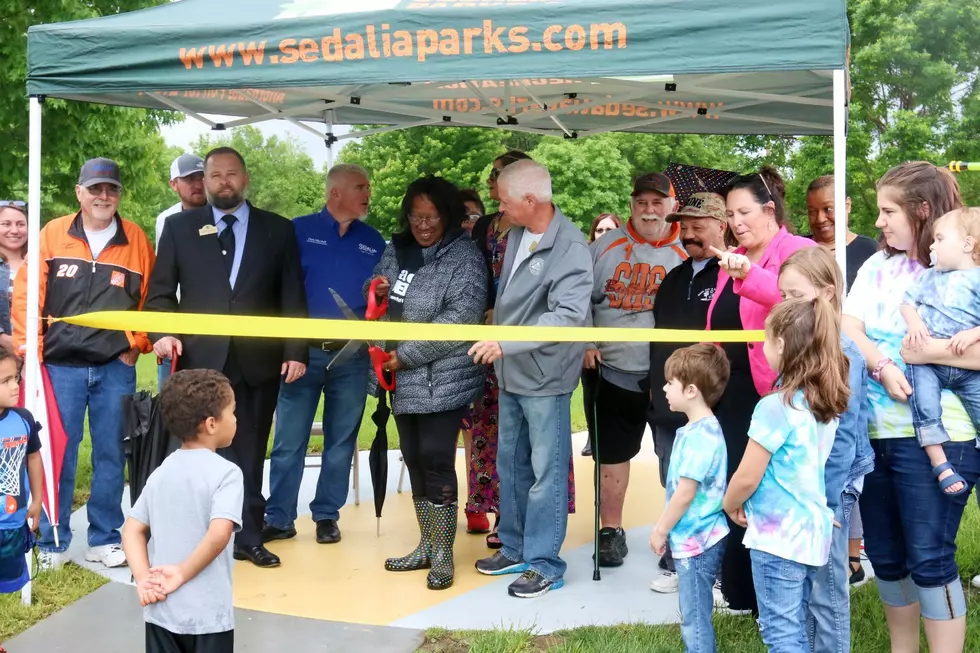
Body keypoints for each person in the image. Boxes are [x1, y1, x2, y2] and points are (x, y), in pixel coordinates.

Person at [146, 146, 308, 569]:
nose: (222, 182)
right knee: (198, 451)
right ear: (204, 179)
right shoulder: (180, 228)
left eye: (231, 174)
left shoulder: (278, 230)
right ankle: (197, 537)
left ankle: (249, 537)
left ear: (245, 177)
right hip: (201, 362)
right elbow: (160, 294)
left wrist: (296, 349)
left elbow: (292, 295)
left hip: (259, 360)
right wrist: (162, 332)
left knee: (251, 449)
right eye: (214, 175)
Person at [843, 161, 978, 652]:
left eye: (887, 211)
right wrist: (883, 365)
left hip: (942, 438)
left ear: (922, 211)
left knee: (930, 558)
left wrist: (920, 354)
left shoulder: (963, 269)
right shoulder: (876, 265)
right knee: (886, 555)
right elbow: (848, 325)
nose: (878, 222)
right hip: (873, 433)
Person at [13, 157, 155, 570]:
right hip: (60, 367)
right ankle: (53, 540)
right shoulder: (53, 234)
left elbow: (151, 296)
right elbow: (28, 297)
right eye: (95, 189)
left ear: (119, 195)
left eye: (111, 189)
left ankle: (105, 537)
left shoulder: (137, 241)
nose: (103, 196)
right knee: (59, 452)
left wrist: (138, 342)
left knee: (112, 451)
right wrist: (32, 350)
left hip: (115, 367)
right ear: (79, 192)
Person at [470, 160, 592, 598]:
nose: (496, 206)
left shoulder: (572, 247)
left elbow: (568, 317)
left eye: (502, 199)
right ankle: (517, 547)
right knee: (511, 465)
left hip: (544, 377)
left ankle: (545, 563)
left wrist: (507, 344)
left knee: (546, 474)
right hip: (511, 374)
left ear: (529, 200)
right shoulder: (517, 234)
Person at [704, 167, 815, 615]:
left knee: (765, 491)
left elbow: (807, 309)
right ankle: (740, 593)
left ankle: (780, 597)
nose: (736, 222)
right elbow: (718, 326)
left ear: (770, 210)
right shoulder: (730, 257)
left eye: (745, 212)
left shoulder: (799, 252)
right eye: (730, 214)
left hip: (778, 394)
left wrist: (751, 274)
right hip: (731, 395)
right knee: (732, 485)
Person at [372, 176, 487, 591]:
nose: (423, 225)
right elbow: (376, 298)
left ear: (448, 216)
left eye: (432, 217)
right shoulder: (395, 250)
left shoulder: (465, 256)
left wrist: (405, 355)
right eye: (416, 217)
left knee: (437, 459)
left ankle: (443, 554)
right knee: (415, 458)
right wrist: (378, 291)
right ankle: (426, 544)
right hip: (400, 381)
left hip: (443, 377)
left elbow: (461, 318)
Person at [263, 164, 383, 546]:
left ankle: (327, 515)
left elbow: (384, 294)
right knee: (288, 442)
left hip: (352, 358)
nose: (368, 193)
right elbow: (276, 290)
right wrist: (287, 347)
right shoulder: (296, 231)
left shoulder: (374, 240)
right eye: (360, 187)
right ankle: (279, 517)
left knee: (341, 441)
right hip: (302, 355)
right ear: (335, 194)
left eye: (368, 186)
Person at [723, 298, 849, 652]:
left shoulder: (774, 407)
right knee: (800, 623)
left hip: (778, 539)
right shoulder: (824, 404)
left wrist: (729, 503)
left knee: (780, 632)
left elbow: (747, 476)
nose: (763, 346)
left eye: (765, 338)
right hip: (813, 532)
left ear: (780, 345)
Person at [587, 172, 686, 569]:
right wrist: (587, 343)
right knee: (612, 455)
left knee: (676, 457)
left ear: (671, 206)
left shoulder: (686, 249)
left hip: (670, 376)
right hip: (613, 366)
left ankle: (678, 535)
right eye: (641, 202)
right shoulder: (605, 247)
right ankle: (611, 532)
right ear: (631, 205)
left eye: (657, 202)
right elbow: (578, 299)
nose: (649, 210)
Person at [777, 246, 873, 653]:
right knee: (808, 580)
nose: (786, 305)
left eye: (795, 295)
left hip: (832, 487)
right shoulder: (800, 345)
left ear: (828, 293)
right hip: (806, 484)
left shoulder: (844, 354)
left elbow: (843, 444)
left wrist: (826, 505)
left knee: (827, 586)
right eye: (782, 296)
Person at [121, 369, 242, 653]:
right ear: (212, 424)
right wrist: (182, 573)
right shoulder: (227, 474)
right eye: (233, 412)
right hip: (209, 617)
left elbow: (132, 530)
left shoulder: (162, 472)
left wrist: (143, 580)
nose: (236, 419)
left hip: (162, 610)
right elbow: (219, 533)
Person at [647, 192, 728, 592]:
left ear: (721, 226)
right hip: (670, 403)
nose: (690, 235)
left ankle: (715, 569)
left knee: (709, 485)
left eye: (699, 227)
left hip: (714, 404)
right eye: (686, 227)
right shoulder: (674, 278)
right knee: (672, 478)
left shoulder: (729, 277)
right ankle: (674, 560)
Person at [650, 343, 730, 653]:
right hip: (698, 538)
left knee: (694, 616)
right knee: (696, 610)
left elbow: (684, 494)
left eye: (671, 382)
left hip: (698, 542)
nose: (665, 388)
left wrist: (661, 529)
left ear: (692, 390)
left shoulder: (699, 438)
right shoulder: (696, 430)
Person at [900, 207, 980, 497]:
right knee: (924, 405)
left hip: (970, 369)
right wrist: (915, 322)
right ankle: (941, 463)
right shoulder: (929, 276)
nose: (931, 246)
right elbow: (907, 302)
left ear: (967, 245)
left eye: (939, 239)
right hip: (927, 364)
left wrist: (973, 332)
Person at [154, 154, 207, 390]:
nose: (198, 184)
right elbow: (163, 276)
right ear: (173, 184)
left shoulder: (225, 216)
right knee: (174, 398)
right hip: (175, 322)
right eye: (189, 179)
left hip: (210, 323)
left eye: (202, 177)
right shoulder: (165, 219)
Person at [457, 186, 487, 533]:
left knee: (478, 435)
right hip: (448, 354)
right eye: (461, 216)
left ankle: (477, 503)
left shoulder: (492, 253)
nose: (467, 223)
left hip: (486, 354)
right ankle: (457, 502)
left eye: (474, 216)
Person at [0, 351, 42, 598]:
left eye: (15, 377)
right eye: (5, 381)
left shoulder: (23, 419)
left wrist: (36, 501)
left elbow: (33, 458)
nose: (16, 386)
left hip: (13, 524)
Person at [581, 213, 620, 458]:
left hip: (620, 340)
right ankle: (591, 435)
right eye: (600, 230)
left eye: (611, 230)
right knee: (590, 388)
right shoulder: (584, 260)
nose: (604, 235)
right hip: (590, 336)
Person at [803, 176, 878, 291]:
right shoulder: (798, 248)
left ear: (847, 205)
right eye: (812, 212)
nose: (820, 219)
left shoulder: (871, 251)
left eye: (828, 209)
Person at [0, 201, 28, 354]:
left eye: (21, 224)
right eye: (6, 224)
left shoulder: (41, 262)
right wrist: (3, 339)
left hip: (37, 349)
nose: (14, 230)